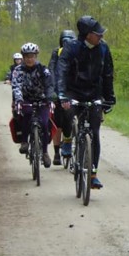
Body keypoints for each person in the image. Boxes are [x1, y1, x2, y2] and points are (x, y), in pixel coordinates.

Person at [57, 16, 116, 189]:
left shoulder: (103, 48)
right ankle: (68, 140)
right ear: (87, 35)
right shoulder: (71, 48)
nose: (101, 36)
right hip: (73, 91)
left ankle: (93, 174)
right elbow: (61, 71)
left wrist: (109, 97)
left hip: (94, 92)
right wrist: (62, 95)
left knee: (95, 132)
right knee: (67, 114)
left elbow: (108, 75)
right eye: (97, 34)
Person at [12, 42, 54, 168]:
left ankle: (45, 152)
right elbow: (16, 86)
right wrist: (19, 100)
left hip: (42, 100)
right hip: (25, 100)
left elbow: (49, 85)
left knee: (45, 123)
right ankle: (24, 141)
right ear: (23, 58)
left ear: (36, 56)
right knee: (27, 115)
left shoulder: (43, 69)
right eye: (27, 57)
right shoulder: (18, 70)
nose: (29, 59)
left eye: (32, 56)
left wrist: (50, 98)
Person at [48, 30, 76, 165]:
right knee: (57, 121)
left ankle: (69, 141)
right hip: (59, 89)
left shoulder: (78, 53)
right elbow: (52, 71)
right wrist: (52, 90)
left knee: (70, 117)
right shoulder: (56, 53)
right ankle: (56, 152)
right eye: (65, 42)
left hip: (73, 89)